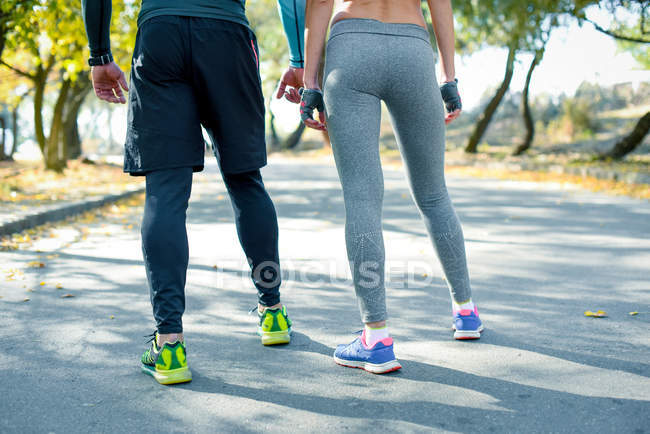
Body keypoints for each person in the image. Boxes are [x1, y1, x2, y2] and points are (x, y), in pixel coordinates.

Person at [81, 0, 306, 385]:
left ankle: (169, 344)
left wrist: (99, 54)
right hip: (228, 36)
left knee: (165, 192)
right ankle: (272, 310)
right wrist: (298, 59)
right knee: (245, 180)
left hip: (161, 33)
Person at [300, 0, 483, 374]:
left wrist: (310, 82)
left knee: (362, 195)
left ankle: (376, 337)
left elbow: (319, 2)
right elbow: (441, 5)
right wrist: (449, 77)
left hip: (350, 49)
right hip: (413, 51)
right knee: (433, 193)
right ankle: (465, 312)